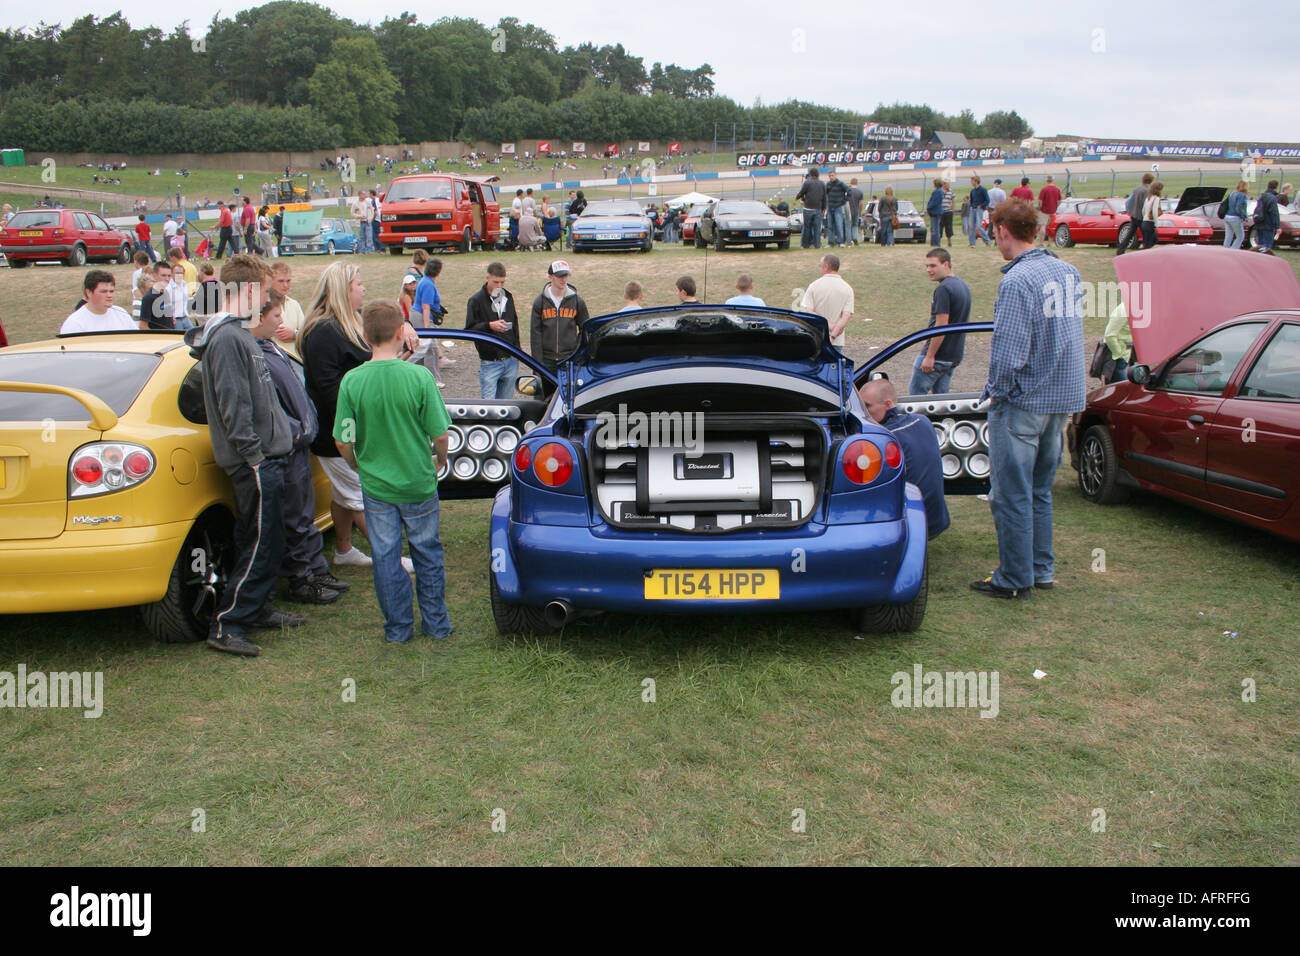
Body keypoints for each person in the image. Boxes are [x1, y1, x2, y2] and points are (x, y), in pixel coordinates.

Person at [183, 254, 303, 656]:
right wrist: (254, 456)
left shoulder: (240, 335)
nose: (269, 297)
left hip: (267, 457)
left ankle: (258, 609)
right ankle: (227, 622)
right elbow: (235, 405)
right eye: (264, 289)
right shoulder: (229, 339)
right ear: (248, 291)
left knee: (269, 538)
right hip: (255, 462)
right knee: (257, 542)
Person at [973, 199, 1085, 599]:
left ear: (1004, 230)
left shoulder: (1017, 281)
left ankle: (1015, 576)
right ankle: (1040, 569)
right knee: (1039, 490)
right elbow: (1069, 338)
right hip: (1061, 400)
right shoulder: (1068, 271)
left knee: (1011, 493)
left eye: (994, 232)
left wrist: (997, 395)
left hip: (1023, 403)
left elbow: (1009, 352)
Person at [334, 300, 453, 644]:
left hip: (377, 485)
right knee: (427, 551)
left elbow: (343, 440)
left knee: (386, 557)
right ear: (401, 332)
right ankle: (436, 624)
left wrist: (357, 463)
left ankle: (398, 628)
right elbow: (440, 434)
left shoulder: (352, 381)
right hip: (418, 480)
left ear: (365, 336)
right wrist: (439, 459)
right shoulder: (418, 375)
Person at [302, 261, 416, 571]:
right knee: (359, 495)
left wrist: (402, 347)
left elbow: (372, 369)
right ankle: (390, 559)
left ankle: (343, 548)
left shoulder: (344, 324)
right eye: (358, 283)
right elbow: (332, 392)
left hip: (348, 427)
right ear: (343, 289)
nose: (363, 288)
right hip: (336, 433)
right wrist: (361, 428)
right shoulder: (324, 331)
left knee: (343, 493)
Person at [251, 290, 349, 605]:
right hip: (285, 447)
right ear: (258, 318)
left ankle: (316, 571)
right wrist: (292, 432)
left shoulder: (272, 349)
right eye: (276, 315)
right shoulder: (255, 354)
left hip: (297, 446)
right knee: (293, 516)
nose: (282, 321)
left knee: (304, 513)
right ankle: (302, 579)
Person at [858, 378, 949, 539]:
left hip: (910, 528)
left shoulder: (884, 439)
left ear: (888, 404)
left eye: (868, 406)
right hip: (937, 520)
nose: (863, 412)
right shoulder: (923, 421)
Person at [909, 248, 972, 395]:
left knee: (915, 401)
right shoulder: (963, 286)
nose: (928, 270)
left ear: (946, 264)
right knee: (941, 403)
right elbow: (967, 320)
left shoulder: (943, 289)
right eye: (927, 266)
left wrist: (930, 356)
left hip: (938, 357)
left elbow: (941, 326)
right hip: (954, 356)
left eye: (933, 265)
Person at [529, 260, 589, 397]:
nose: (563, 279)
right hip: (546, 361)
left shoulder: (577, 301)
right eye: (560, 276)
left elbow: (585, 329)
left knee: (568, 397)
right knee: (544, 398)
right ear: (550, 277)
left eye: (566, 275)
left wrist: (577, 352)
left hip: (568, 360)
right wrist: (537, 364)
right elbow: (535, 334)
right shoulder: (540, 302)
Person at [465, 261, 521, 399]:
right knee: (489, 406)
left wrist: (517, 350)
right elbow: (469, 330)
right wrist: (489, 325)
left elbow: (515, 323)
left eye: (502, 282)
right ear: (487, 278)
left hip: (511, 359)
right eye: (496, 282)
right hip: (490, 361)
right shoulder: (476, 300)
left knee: (506, 405)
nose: (499, 286)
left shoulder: (508, 296)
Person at [798, 254, 855, 348]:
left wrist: (827, 324)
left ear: (826, 267)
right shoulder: (847, 289)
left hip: (815, 338)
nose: (819, 268)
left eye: (820, 266)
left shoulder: (814, 286)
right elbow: (846, 316)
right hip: (837, 340)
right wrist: (832, 336)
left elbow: (808, 312)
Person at [62, 271, 135, 334]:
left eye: (111, 291)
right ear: (89, 292)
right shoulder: (75, 323)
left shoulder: (122, 315)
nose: (109, 295)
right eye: (103, 291)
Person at [270, 262, 307, 359]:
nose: (285, 285)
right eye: (281, 281)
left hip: (296, 361)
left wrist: (294, 334)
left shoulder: (294, 304)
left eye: (288, 281)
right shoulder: (262, 305)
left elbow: (306, 333)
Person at [1116, 173, 1152, 256]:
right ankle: (1147, 250)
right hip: (1141, 216)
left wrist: (1130, 211)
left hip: (1134, 214)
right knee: (1146, 234)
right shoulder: (1146, 190)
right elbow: (1145, 204)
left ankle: (1121, 249)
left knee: (1130, 233)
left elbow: (1129, 201)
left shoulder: (1137, 189)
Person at [795, 169, 826, 249]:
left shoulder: (807, 182)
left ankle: (805, 244)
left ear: (811, 174)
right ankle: (817, 244)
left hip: (808, 208)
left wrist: (797, 197)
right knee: (817, 228)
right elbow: (824, 197)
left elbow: (802, 192)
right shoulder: (822, 183)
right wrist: (823, 208)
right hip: (818, 208)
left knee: (807, 227)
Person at [1103, 300, 1132, 384]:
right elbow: (1109, 336)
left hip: (1123, 357)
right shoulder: (1123, 310)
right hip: (1117, 359)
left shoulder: (1134, 308)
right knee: (1123, 391)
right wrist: (1119, 354)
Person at [825, 170, 851, 247]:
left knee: (839, 225)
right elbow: (825, 194)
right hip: (830, 207)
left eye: (832, 175)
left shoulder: (840, 184)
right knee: (830, 226)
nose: (831, 177)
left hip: (838, 207)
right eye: (830, 176)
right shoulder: (828, 184)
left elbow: (849, 191)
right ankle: (830, 242)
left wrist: (844, 200)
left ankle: (840, 242)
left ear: (835, 175)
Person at [1254, 180, 1281, 254]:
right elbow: (1274, 213)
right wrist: (1277, 226)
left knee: (1260, 245)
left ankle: (1259, 257)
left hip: (1260, 223)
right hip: (1268, 225)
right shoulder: (1272, 198)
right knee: (1267, 246)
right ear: (1276, 187)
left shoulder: (1263, 196)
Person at [1224, 180, 1250, 249]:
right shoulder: (1242, 195)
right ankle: (1233, 250)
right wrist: (1244, 216)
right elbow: (1238, 208)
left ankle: (1225, 249)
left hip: (1227, 216)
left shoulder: (1232, 193)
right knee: (1240, 236)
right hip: (1235, 218)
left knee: (1228, 236)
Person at [1037, 175, 1062, 244]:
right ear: (1053, 180)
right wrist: (1056, 207)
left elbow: (1040, 201)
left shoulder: (1044, 189)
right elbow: (1059, 201)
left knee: (1043, 226)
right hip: (1053, 210)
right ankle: (1049, 242)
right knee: (1051, 226)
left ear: (1047, 180)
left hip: (1044, 210)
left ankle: (1041, 242)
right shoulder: (1057, 189)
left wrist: (1040, 207)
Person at [967, 176, 991, 246]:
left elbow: (987, 200)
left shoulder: (983, 189)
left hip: (979, 209)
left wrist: (981, 205)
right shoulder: (972, 191)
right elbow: (971, 200)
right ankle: (972, 243)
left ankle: (987, 240)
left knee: (979, 226)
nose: (971, 182)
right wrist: (971, 206)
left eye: (972, 181)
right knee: (971, 226)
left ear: (976, 181)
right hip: (973, 209)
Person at [1140, 181, 1164, 249]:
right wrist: (1156, 223)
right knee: (1151, 241)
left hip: (1144, 222)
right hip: (1150, 222)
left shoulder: (1148, 198)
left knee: (1147, 242)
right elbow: (1154, 212)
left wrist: (1144, 218)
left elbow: (1143, 210)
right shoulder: (1156, 198)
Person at [926, 179, 944, 246]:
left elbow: (934, 202)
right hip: (936, 212)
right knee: (935, 228)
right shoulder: (940, 191)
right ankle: (935, 242)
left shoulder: (937, 192)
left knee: (935, 229)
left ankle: (935, 243)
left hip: (935, 212)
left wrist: (928, 207)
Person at [847, 178, 864, 246]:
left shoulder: (848, 191)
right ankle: (855, 238)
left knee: (848, 225)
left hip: (848, 211)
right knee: (855, 225)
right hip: (856, 210)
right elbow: (861, 203)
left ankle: (849, 240)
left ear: (850, 183)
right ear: (857, 183)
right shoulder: (860, 192)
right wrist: (860, 212)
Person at [940, 181, 955, 247]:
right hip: (940, 212)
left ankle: (949, 241)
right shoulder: (939, 191)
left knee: (949, 227)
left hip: (948, 212)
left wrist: (952, 210)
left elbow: (953, 201)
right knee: (940, 227)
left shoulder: (951, 191)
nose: (948, 185)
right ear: (944, 184)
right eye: (947, 184)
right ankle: (939, 241)